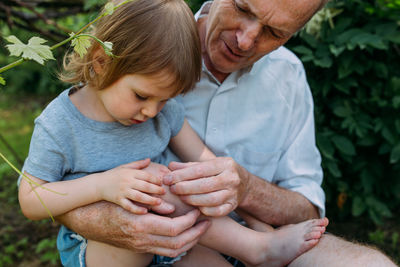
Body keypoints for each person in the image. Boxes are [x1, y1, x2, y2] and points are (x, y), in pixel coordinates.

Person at [52, 0, 397, 266]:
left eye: (274, 33)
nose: (246, 41)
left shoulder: (288, 76)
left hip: (260, 240)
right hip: (150, 246)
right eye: (242, 8)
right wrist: (107, 219)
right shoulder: (146, 42)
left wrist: (246, 191)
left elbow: (307, 209)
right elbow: (60, 177)